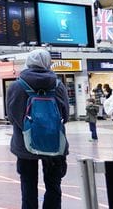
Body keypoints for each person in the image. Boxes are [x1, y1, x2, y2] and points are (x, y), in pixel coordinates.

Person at [7, 49, 69, 209]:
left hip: (25, 145)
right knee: (54, 187)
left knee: (28, 187)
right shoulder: (58, 85)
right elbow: (66, 115)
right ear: (48, 62)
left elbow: (12, 116)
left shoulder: (17, 85)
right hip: (54, 143)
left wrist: (29, 129)